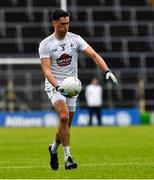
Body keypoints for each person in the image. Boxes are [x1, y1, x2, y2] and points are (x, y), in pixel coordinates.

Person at [38, 9, 118, 170]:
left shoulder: (75, 39)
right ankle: (68, 158)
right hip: (54, 84)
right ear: (54, 23)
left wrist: (107, 71)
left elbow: (94, 55)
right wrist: (57, 86)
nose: (66, 26)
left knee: (65, 125)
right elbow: (46, 70)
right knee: (64, 116)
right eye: (62, 24)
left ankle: (53, 148)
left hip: (72, 86)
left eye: (68, 23)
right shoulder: (46, 44)